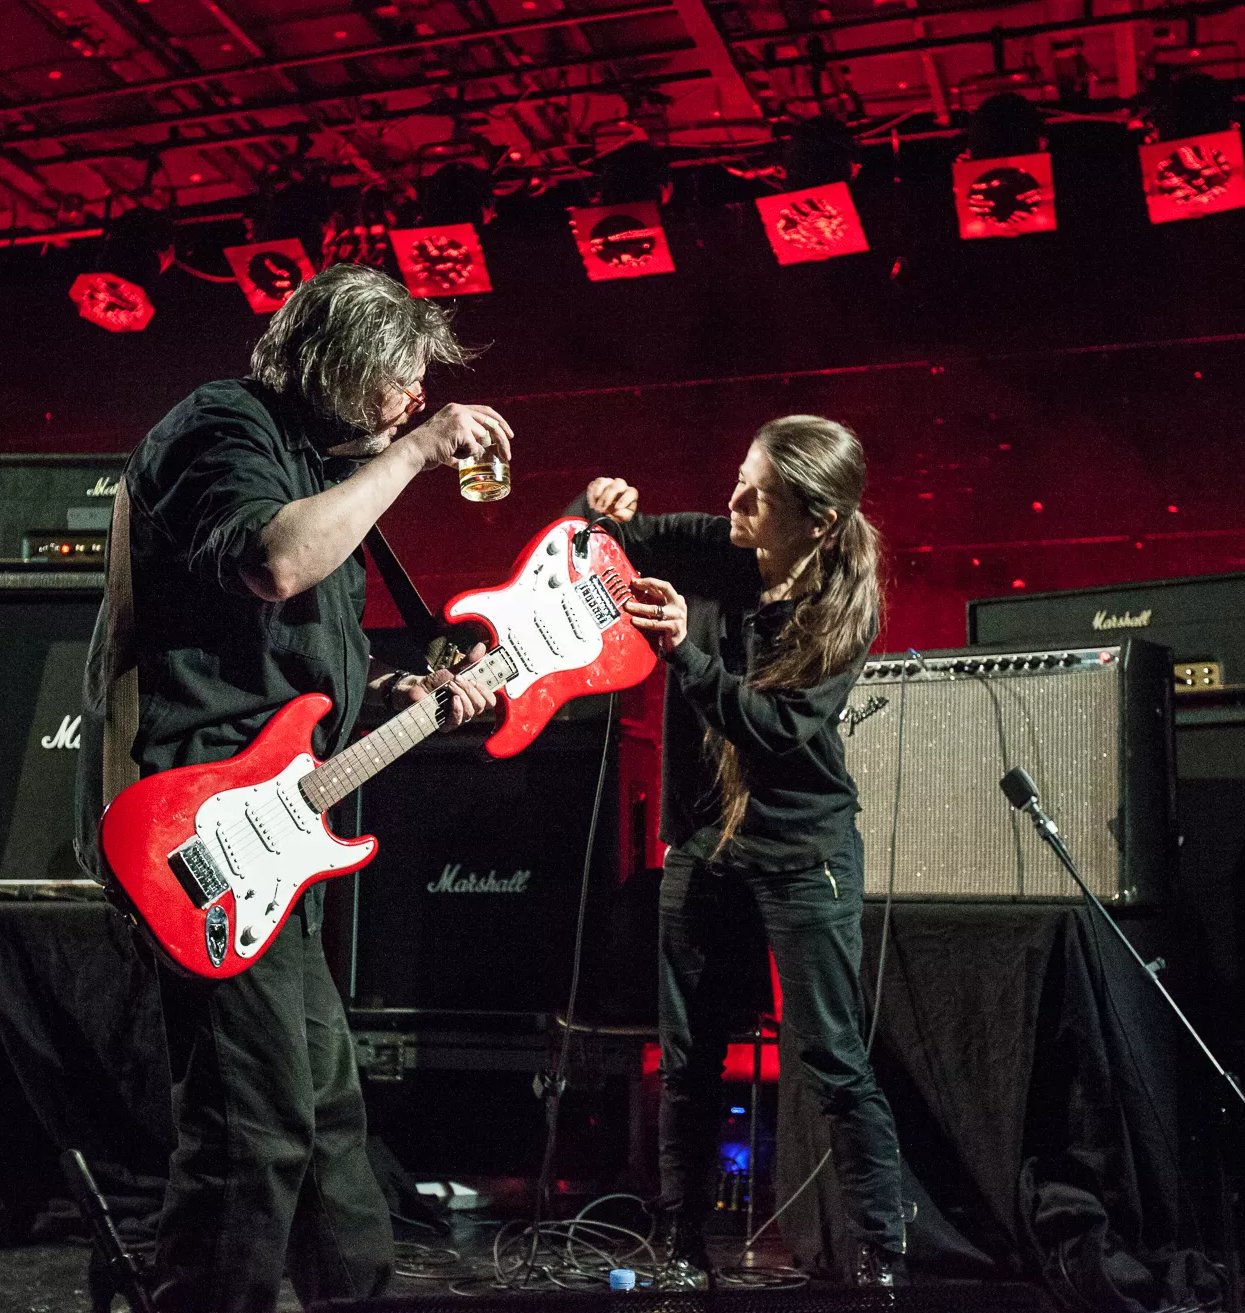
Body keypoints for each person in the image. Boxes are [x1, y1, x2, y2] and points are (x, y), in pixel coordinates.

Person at [78, 263, 513, 1313]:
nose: (413, 403)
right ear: (337, 365)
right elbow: (272, 565)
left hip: (281, 834)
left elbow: (292, 677)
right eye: (397, 385)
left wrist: (411, 692)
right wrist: (413, 452)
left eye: (417, 392)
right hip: (201, 832)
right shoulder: (218, 432)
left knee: (323, 1117)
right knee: (253, 1126)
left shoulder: (315, 465)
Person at [579, 415, 907, 1287]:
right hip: (705, 843)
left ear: (819, 521)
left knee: (832, 1055)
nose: (733, 501)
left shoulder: (844, 607)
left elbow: (777, 729)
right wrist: (600, 514)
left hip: (805, 851)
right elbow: (609, 543)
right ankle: (682, 1245)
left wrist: (684, 652)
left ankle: (882, 1252)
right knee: (689, 1059)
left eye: (758, 495)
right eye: (738, 476)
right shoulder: (718, 543)